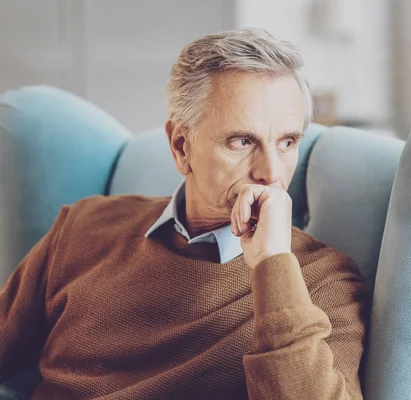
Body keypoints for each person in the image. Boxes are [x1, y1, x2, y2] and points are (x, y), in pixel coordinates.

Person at [0, 28, 369, 399]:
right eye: (242, 141)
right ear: (181, 146)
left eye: (287, 142)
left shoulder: (323, 280)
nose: (271, 173)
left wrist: (272, 263)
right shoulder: (84, 226)